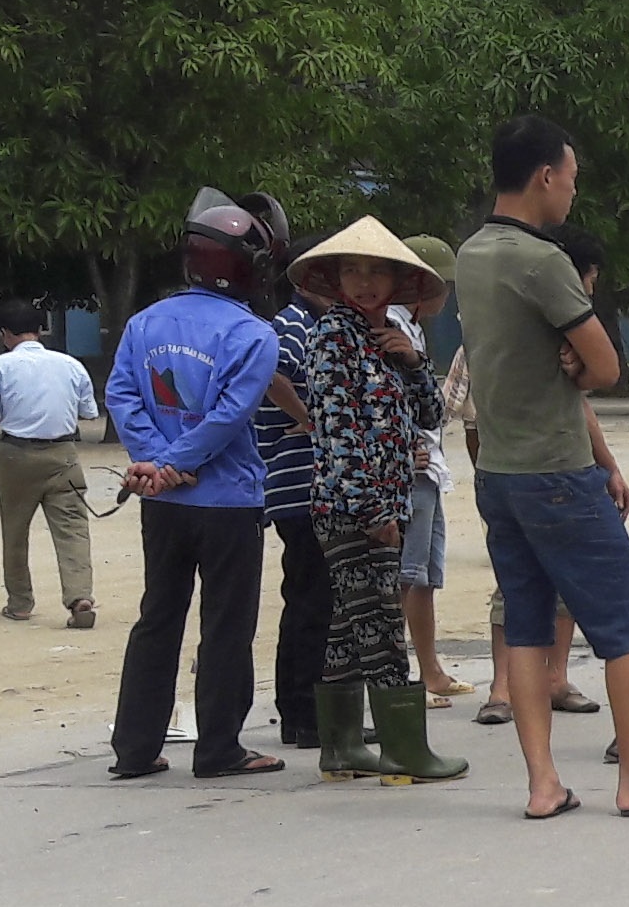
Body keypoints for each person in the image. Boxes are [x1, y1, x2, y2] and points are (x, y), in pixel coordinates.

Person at [454, 114, 629, 818]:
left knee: (529, 624)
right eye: (571, 179)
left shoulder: (472, 253)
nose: (572, 193)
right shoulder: (540, 260)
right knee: (627, 622)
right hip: (556, 469)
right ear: (545, 176)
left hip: (500, 473)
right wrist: (576, 360)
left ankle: (544, 784)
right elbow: (605, 367)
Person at [103, 194, 288, 780]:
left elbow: (123, 397)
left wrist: (155, 464)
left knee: (158, 616)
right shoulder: (254, 335)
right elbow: (231, 415)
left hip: (164, 503)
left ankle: (134, 749)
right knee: (226, 625)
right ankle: (219, 748)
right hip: (229, 501)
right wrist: (176, 460)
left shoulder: (143, 323)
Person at [290, 218, 463, 783]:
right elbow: (337, 432)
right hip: (352, 508)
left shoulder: (390, 334)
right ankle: (404, 751)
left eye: (376, 272)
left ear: (396, 281)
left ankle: (340, 747)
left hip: (386, 501)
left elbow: (433, 418)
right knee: (383, 624)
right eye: (352, 270)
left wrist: (413, 364)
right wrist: (375, 511)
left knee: (348, 623)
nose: (363, 282)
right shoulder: (332, 336)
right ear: (335, 278)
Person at [455, 222, 623, 727]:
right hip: (536, 475)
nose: (587, 295)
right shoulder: (521, 329)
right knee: (532, 599)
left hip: (520, 473)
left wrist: (609, 464)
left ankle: (553, 682)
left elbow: (580, 403)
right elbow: (606, 372)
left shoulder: (550, 329)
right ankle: (502, 687)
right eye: (586, 283)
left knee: (548, 592)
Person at [0, 304, 98, 628]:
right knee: (72, 528)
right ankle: (80, 596)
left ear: (5, 335)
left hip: (16, 454)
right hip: (64, 454)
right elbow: (89, 412)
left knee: (15, 531)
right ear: (40, 331)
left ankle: (20, 603)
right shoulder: (70, 365)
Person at [252, 262, 329, 746]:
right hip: (295, 482)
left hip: (306, 483)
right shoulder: (293, 324)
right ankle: (303, 713)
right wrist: (310, 419)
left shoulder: (317, 324)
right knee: (310, 600)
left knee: (313, 599)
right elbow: (273, 375)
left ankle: (307, 711)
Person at [396, 234, 472, 703]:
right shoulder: (392, 330)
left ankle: (430, 669)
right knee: (406, 574)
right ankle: (404, 674)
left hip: (430, 467)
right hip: (408, 469)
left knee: (423, 574)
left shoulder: (412, 330)